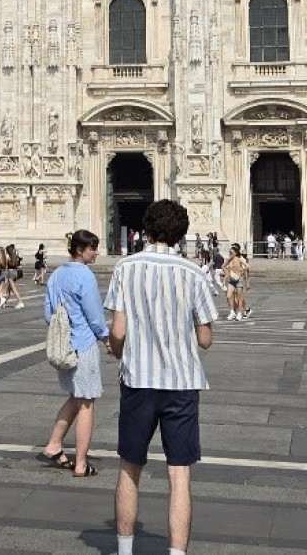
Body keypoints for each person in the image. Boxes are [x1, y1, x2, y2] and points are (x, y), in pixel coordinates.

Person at [106, 200, 215, 555]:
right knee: (179, 475)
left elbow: (118, 330)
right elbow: (205, 339)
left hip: (138, 380)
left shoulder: (126, 267)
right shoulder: (194, 273)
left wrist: (118, 351)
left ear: (146, 229)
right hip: (182, 384)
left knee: (129, 467)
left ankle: (124, 550)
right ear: (181, 234)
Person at [38, 229, 107, 477]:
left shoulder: (56, 275)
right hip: (83, 343)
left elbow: (48, 313)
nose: (96, 253)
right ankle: (80, 463)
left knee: (76, 398)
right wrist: (105, 336)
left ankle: (54, 444)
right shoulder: (84, 276)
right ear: (80, 250)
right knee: (87, 402)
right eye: (92, 249)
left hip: (64, 345)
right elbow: (94, 314)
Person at [221, 245, 250, 322]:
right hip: (231, 280)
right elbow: (223, 266)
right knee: (228, 296)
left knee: (239, 297)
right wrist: (227, 272)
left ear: (235, 252)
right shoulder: (228, 260)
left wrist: (241, 271)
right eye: (230, 252)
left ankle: (240, 313)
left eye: (231, 252)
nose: (230, 253)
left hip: (238, 280)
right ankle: (232, 312)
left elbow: (247, 266)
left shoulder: (239, 259)